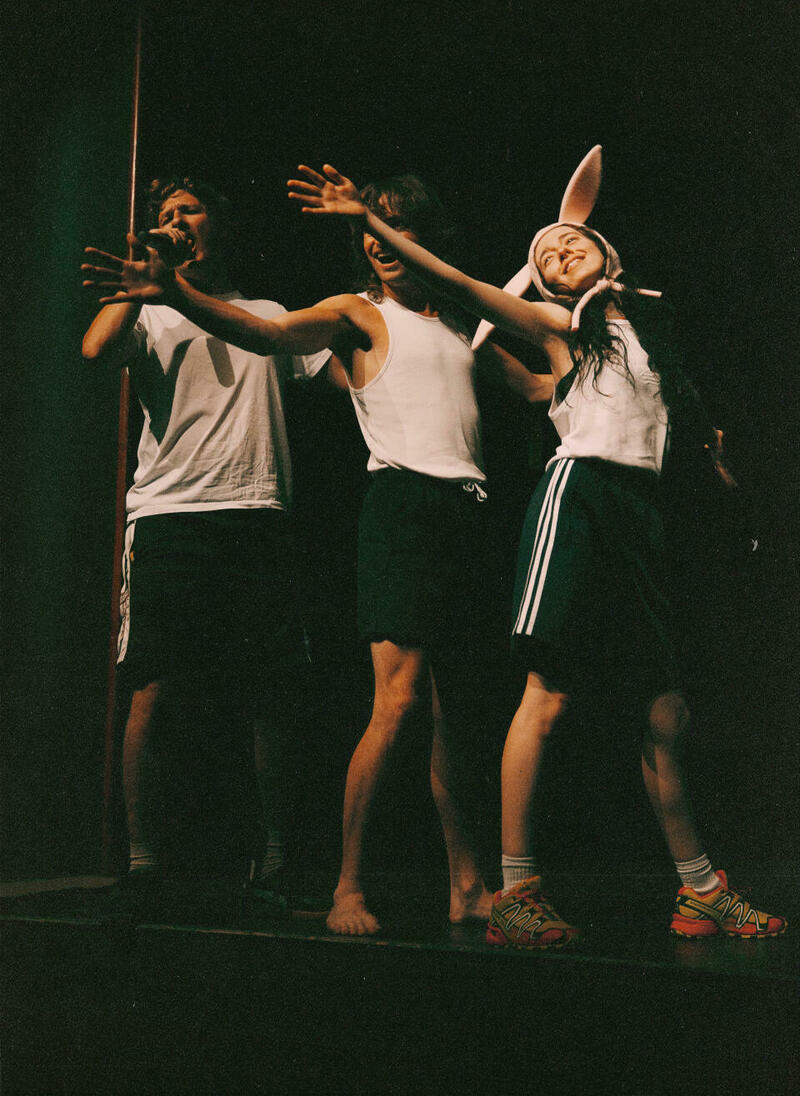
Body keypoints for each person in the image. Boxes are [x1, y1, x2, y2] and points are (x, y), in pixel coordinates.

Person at [284, 153, 787, 946]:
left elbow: (653, 422)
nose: (559, 249)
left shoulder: (645, 338)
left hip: (639, 514)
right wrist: (374, 223)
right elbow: (458, 286)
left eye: (570, 242)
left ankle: (699, 890)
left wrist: (715, 461)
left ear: (607, 253)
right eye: (545, 254)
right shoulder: (561, 330)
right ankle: (516, 890)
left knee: (666, 711)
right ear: (542, 287)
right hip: (577, 498)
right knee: (546, 694)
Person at [84, 171, 554, 935]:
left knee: (438, 711)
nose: (378, 239)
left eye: (394, 223)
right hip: (289, 512)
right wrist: (164, 287)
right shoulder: (331, 312)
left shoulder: (437, 322)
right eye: (369, 227)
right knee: (375, 702)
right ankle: (297, 882)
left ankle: (443, 882)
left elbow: (523, 387)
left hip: (397, 514)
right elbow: (237, 338)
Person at [82, 177, 330, 906]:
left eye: (187, 209)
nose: (175, 221)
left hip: (258, 510)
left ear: (218, 221)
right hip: (171, 515)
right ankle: (143, 865)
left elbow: (338, 374)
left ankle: (276, 859)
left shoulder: (268, 314)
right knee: (153, 686)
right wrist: (140, 281)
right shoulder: (149, 312)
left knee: (269, 691)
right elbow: (95, 350)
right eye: (163, 214)